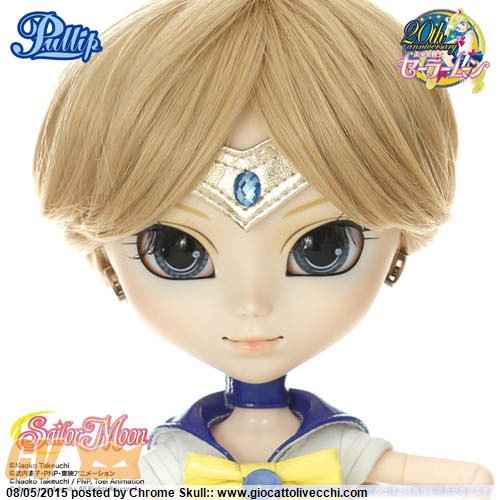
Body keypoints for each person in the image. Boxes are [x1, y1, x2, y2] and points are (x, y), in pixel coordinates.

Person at [33, 0, 493, 486]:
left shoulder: (334, 445)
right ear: (107, 260)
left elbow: (425, 474)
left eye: (322, 248)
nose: (252, 305)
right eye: (178, 253)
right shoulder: (174, 452)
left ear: (398, 249)